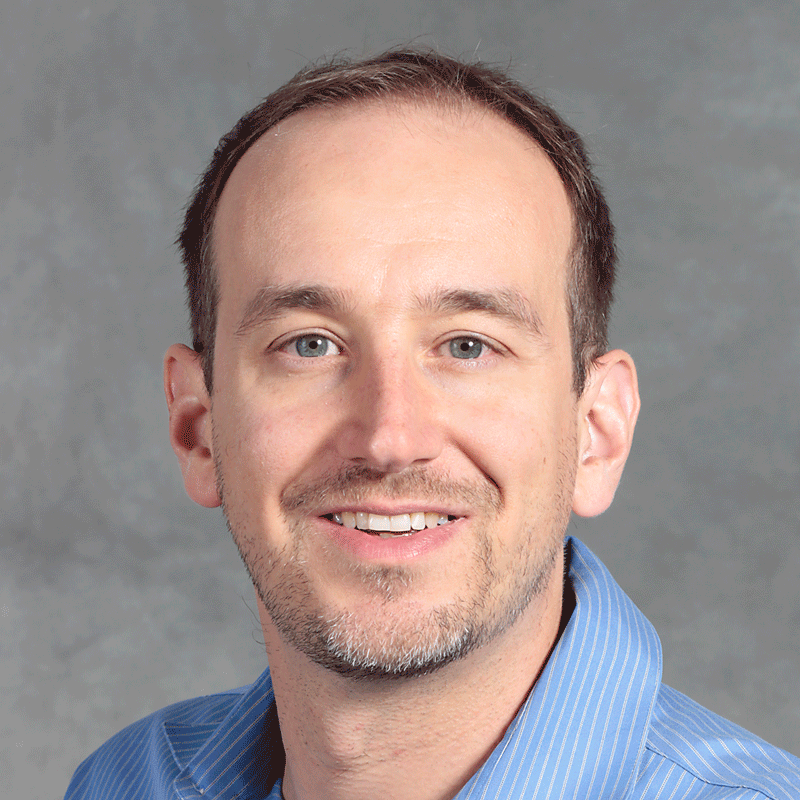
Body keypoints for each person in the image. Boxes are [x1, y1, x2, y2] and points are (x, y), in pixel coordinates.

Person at [65, 48, 800, 800]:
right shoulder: (127, 782)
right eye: (309, 344)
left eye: (469, 346)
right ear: (196, 427)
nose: (390, 437)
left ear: (598, 432)